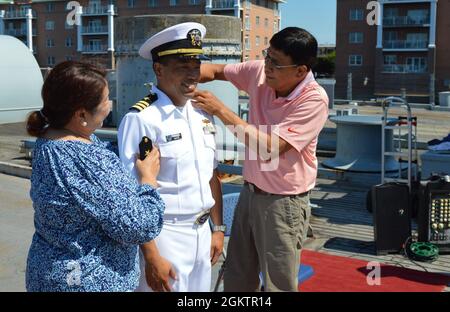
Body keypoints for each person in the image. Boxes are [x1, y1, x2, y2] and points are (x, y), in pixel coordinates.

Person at [194, 27, 329, 292]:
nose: (267, 67)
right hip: (250, 192)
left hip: (283, 203)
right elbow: (216, 70)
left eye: (276, 63)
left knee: (278, 284)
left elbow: (269, 148)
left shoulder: (313, 100)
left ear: (300, 71)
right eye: (267, 56)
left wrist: (221, 111)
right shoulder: (261, 71)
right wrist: (182, 73)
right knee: (237, 277)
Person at [25, 61, 165, 292]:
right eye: (106, 100)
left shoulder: (49, 138)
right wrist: (148, 180)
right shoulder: (88, 160)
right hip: (87, 281)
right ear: (81, 114)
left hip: (49, 272)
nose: (111, 105)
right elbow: (138, 227)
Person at [118, 22, 224, 292]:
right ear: (158, 69)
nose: (193, 75)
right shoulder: (142, 119)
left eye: (196, 66)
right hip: (165, 236)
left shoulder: (202, 112)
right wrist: (152, 256)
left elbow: (211, 175)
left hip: (203, 234)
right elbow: (131, 195)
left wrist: (218, 228)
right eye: (182, 67)